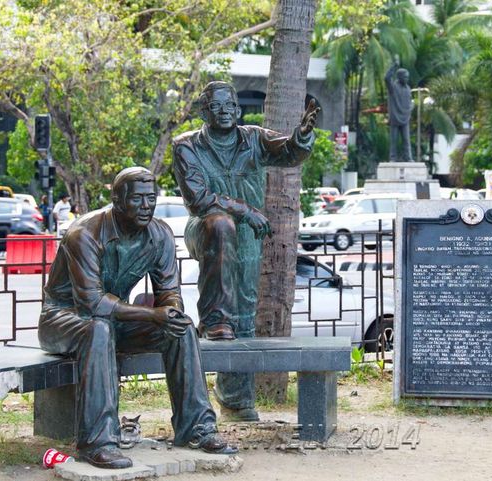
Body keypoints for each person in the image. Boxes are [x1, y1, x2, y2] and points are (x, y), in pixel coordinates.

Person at [38, 167, 235, 469]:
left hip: (111, 319)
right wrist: (152, 314)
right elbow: (91, 303)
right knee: (98, 329)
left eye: (151, 199)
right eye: (138, 199)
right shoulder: (85, 235)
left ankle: (196, 428)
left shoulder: (160, 234)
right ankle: (97, 441)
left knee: (181, 331)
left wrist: (171, 312)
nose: (146, 206)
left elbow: (169, 290)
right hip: (64, 319)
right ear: (117, 201)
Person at [173, 81, 319, 422]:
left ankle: (237, 401)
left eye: (230, 106)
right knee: (221, 225)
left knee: (245, 309)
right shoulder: (186, 147)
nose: (225, 112)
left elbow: (287, 152)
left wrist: (302, 135)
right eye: (217, 106)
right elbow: (198, 198)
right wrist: (246, 211)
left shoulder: (254, 137)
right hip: (205, 228)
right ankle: (212, 319)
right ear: (204, 111)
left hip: (249, 235)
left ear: (238, 110)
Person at [385, 58, 413, 162]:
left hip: (405, 118)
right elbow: (387, 78)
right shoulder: (393, 87)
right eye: (405, 77)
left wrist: (411, 107)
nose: (407, 79)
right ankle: (393, 158)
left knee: (406, 140)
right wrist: (393, 66)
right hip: (395, 118)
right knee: (394, 140)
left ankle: (408, 157)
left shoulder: (408, 88)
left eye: (407, 77)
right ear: (400, 77)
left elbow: (409, 102)